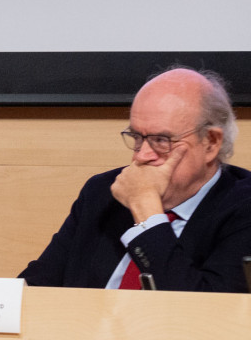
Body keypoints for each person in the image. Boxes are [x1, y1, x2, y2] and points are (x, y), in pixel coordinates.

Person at [20, 67, 251, 292]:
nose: (141, 156)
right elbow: (37, 285)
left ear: (210, 143)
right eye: (137, 137)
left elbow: (205, 308)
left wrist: (147, 213)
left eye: (161, 140)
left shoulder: (244, 207)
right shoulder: (103, 192)